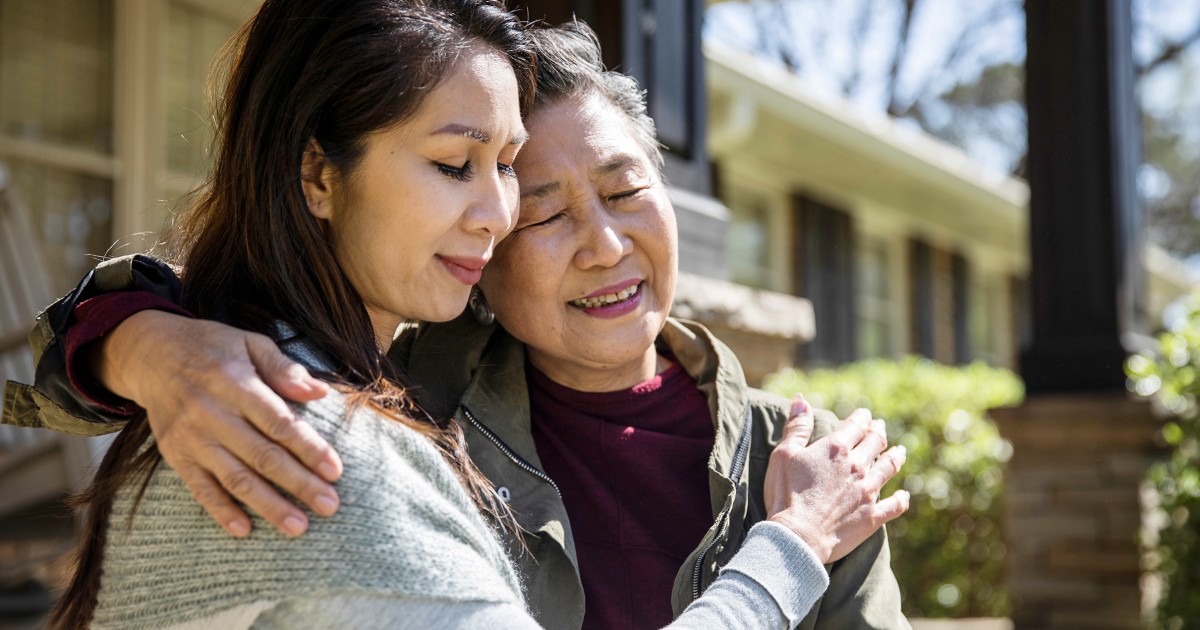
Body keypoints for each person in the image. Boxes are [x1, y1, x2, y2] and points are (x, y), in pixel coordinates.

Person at [5, 16, 911, 630]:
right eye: (545, 212)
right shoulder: (369, 412)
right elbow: (27, 384)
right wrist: (143, 342)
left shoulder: (806, 462)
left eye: (628, 190)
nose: (603, 245)